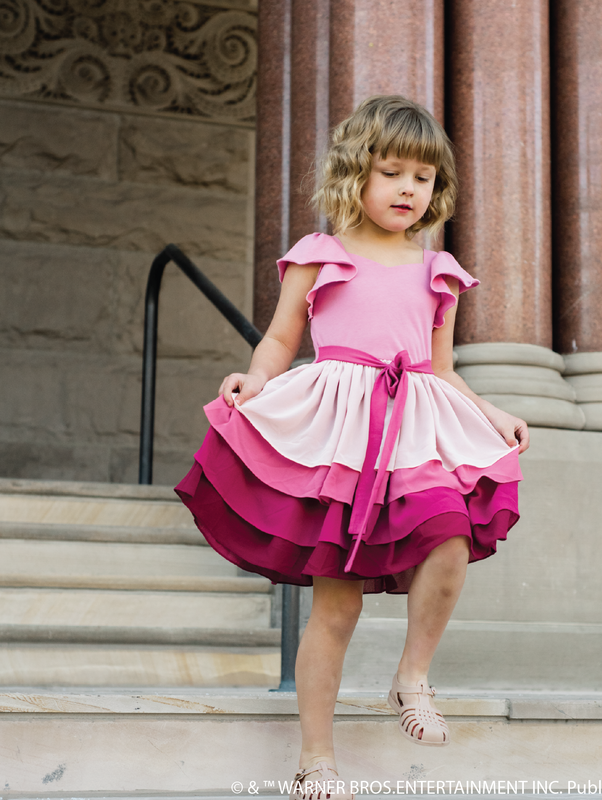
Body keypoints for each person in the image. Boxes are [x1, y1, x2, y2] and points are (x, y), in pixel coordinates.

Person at [175, 94, 529, 800]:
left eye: (422, 178)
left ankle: (412, 676)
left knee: (450, 535)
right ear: (354, 174)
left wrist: (489, 412)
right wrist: (256, 376)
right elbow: (280, 338)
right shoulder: (321, 257)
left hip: (414, 426)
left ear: (437, 189)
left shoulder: (440, 272)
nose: (407, 189)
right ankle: (316, 759)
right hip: (341, 430)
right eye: (392, 171)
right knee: (336, 605)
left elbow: (443, 369)